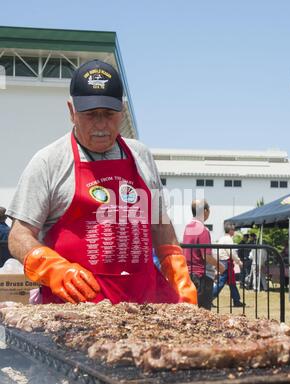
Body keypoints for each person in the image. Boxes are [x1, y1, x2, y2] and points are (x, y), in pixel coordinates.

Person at [7, 59, 197, 306]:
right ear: (71, 111)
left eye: (109, 114)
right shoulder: (48, 162)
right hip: (74, 314)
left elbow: (161, 225)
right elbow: (19, 235)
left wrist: (179, 277)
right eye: (90, 114)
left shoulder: (142, 156)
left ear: (122, 110)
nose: (100, 125)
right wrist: (53, 268)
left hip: (146, 308)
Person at [183, 200, 225, 310]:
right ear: (205, 211)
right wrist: (220, 267)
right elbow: (207, 256)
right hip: (202, 276)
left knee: (192, 311)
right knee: (204, 312)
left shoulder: (188, 227)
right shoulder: (202, 229)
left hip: (189, 273)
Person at [212, 222, 245, 307]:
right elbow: (231, 252)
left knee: (232, 283)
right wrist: (239, 261)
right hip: (226, 262)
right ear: (230, 230)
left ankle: (236, 300)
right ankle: (209, 298)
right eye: (233, 229)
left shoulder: (221, 238)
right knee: (221, 282)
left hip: (222, 261)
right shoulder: (228, 239)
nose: (234, 231)